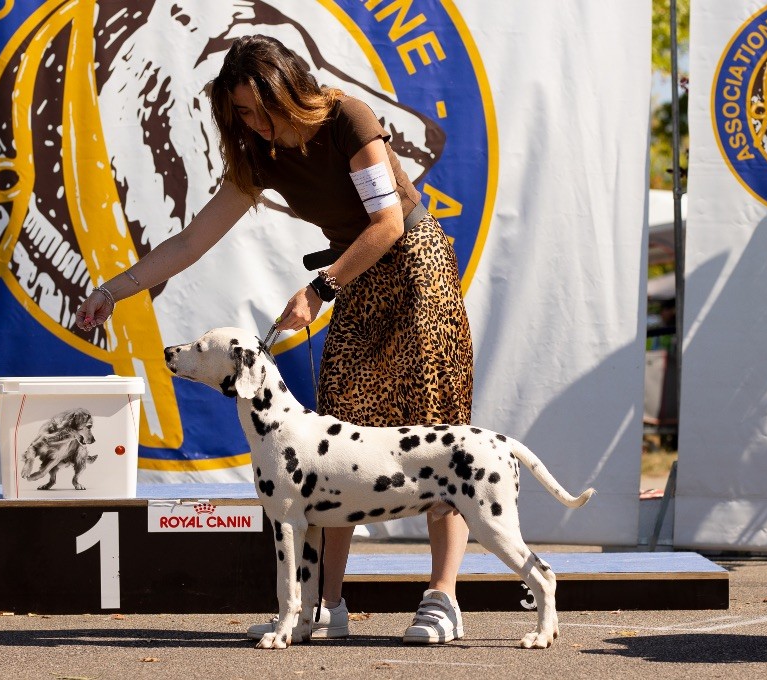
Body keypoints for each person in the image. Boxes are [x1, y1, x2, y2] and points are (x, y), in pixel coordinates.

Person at [75, 34, 474, 644]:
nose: (256, 124)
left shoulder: (347, 117)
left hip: (415, 270)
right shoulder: (258, 157)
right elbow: (190, 243)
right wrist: (115, 288)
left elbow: (389, 223)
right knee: (340, 439)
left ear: (291, 89)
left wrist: (319, 289)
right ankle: (326, 607)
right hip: (352, 280)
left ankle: (441, 598)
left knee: (438, 432)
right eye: (242, 113)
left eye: (262, 108)